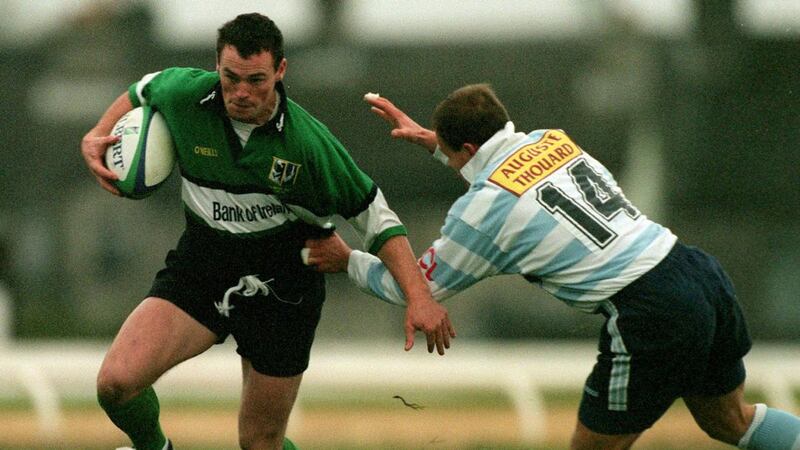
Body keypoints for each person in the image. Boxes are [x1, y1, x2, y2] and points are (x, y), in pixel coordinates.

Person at [304, 84, 800, 449]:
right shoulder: (551, 139)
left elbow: (413, 288)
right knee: (731, 421)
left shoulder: (481, 212)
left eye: (455, 156)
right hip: (695, 271)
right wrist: (441, 145)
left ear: (468, 150)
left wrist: (348, 260)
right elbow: (508, 175)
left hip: (650, 309)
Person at [80, 13, 455, 450]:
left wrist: (419, 297)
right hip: (203, 265)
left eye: (256, 80)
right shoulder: (185, 94)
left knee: (260, 443)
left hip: (284, 284)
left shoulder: (308, 144)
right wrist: (98, 132)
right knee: (116, 383)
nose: (241, 92)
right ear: (217, 66)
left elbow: (376, 218)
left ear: (280, 70)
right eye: (230, 77)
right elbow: (143, 89)